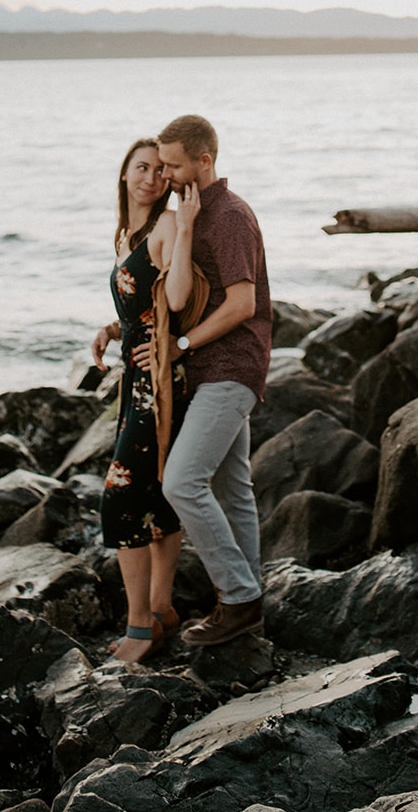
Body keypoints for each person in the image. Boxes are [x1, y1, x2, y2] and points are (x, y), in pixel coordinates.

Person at [156, 113, 272, 646]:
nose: (166, 176)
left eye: (174, 166)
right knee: (232, 489)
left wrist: (182, 345)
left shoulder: (228, 216)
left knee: (181, 482)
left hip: (231, 367)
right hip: (216, 371)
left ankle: (240, 598)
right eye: (162, 166)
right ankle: (247, 599)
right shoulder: (196, 214)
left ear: (205, 160)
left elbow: (243, 302)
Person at [91, 138, 199, 663]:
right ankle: (161, 611)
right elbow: (145, 303)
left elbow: (176, 299)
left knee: (121, 496)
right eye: (141, 167)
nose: (151, 178)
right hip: (137, 379)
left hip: (158, 382)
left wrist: (188, 226)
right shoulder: (129, 233)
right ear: (124, 174)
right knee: (155, 494)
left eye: (160, 170)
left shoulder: (166, 226)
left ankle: (138, 627)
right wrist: (114, 328)